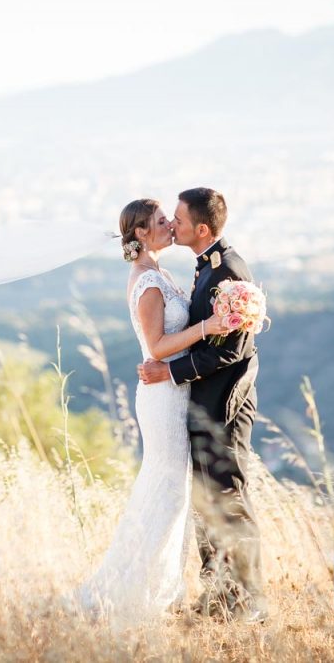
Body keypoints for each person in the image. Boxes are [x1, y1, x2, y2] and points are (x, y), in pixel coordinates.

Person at [72, 198, 228, 626]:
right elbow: (157, 346)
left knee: (173, 492)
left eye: (169, 220)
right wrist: (208, 327)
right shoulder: (146, 281)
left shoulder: (158, 271)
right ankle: (125, 594)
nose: (169, 226)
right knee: (168, 491)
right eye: (161, 222)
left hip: (173, 391)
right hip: (161, 397)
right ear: (141, 233)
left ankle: (160, 591)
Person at [137, 187, 268, 624]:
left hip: (225, 407)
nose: (172, 225)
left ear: (202, 228)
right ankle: (217, 594)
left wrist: (171, 373)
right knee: (207, 501)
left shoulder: (229, 272)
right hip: (201, 404)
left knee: (228, 497)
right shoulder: (209, 265)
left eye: (178, 219)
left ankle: (250, 600)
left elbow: (230, 352)